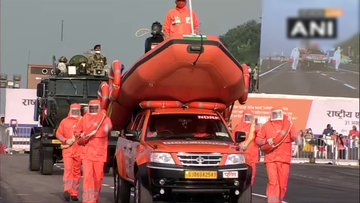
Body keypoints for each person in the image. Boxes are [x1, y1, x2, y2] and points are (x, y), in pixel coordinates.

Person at [255, 108, 300, 203]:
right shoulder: (266, 126)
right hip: (271, 159)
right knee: (273, 183)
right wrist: (265, 141)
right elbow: (258, 140)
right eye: (274, 114)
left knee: (283, 185)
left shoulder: (288, 126)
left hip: (284, 159)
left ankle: (279, 200)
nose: (276, 116)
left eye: (277, 114)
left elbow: (295, 135)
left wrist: (297, 139)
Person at [76, 99, 112, 203]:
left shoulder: (105, 119)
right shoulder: (84, 118)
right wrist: (80, 135)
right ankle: (88, 200)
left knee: (98, 177)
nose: (93, 109)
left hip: (99, 154)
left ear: (99, 108)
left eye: (95, 108)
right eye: (91, 107)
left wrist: (103, 130)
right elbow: (77, 131)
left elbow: (108, 128)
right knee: (88, 177)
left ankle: (95, 198)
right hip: (87, 153)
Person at [56, 103, 83, 201]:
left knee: (77, 172)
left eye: (77, 110)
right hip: (68, 150)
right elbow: (58, 134)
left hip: (79, 151)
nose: (75, 112)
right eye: (74, 110)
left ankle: (74, 193)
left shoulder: (83, 121)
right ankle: (67, 190)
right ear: (70, 110)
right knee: (68, 170)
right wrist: (65, 140)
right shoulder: (64, 121)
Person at [233, 110, 259, 187]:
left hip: (252, 156)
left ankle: (248, 190)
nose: (248, 119)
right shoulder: (239, 127)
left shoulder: (255, 128)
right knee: (241, 175)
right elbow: (234, 140)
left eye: (250, 117)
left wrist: (255, 124)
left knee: (252, 175)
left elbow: (259, 136)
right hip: (242, 156)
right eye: (246, 116)